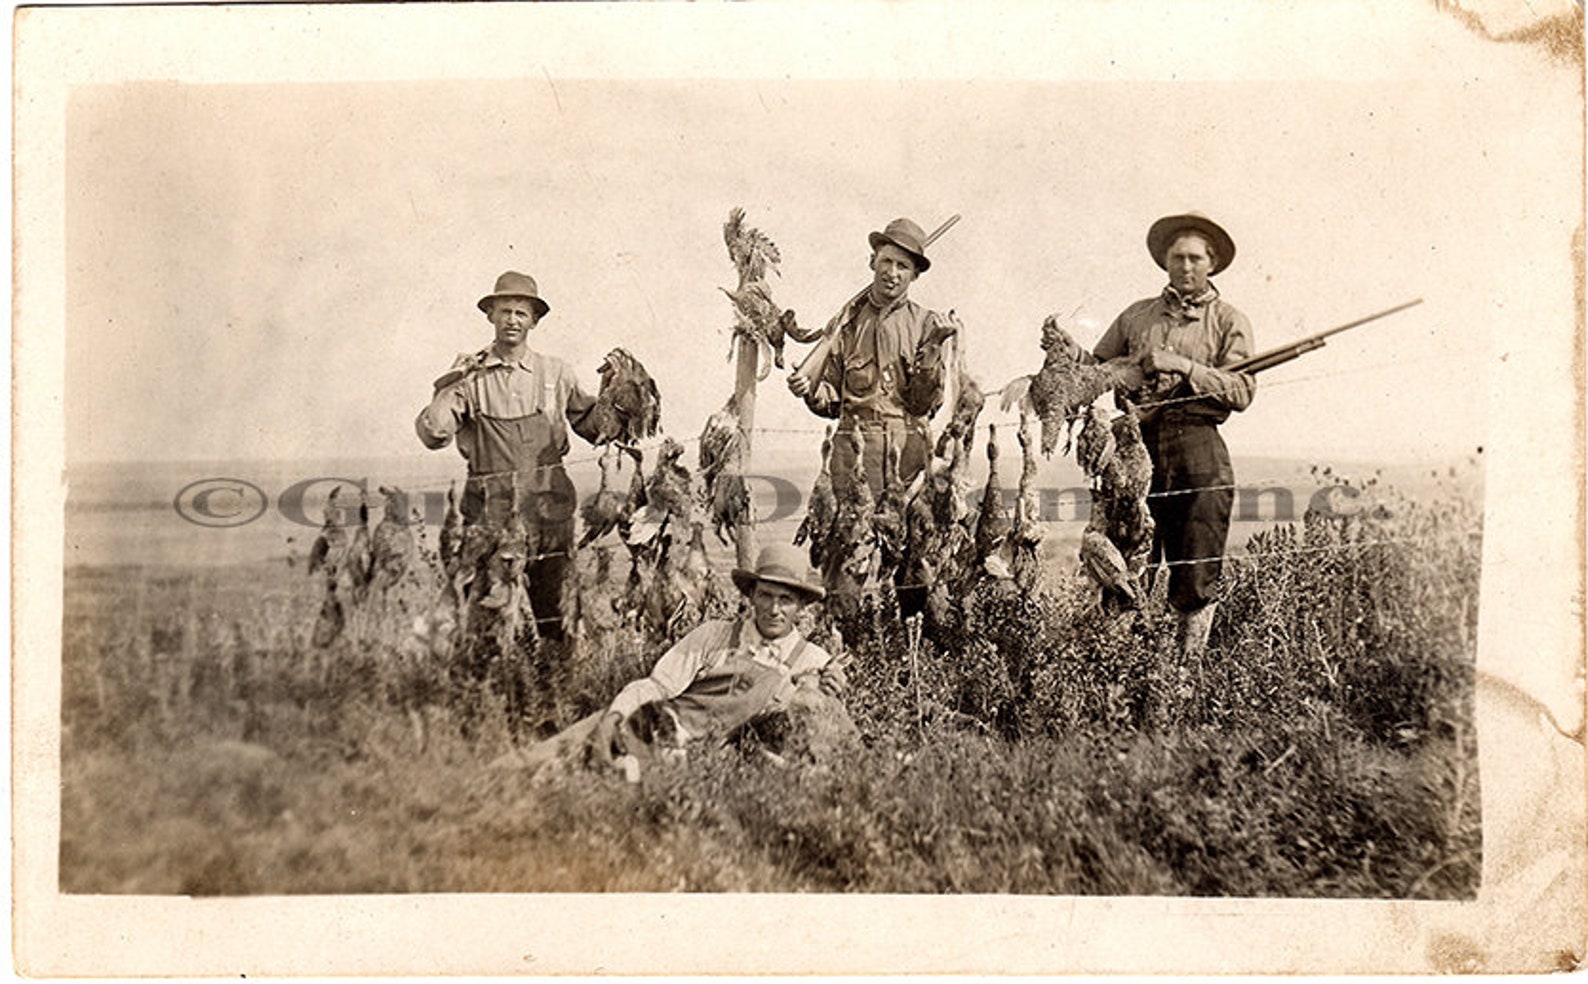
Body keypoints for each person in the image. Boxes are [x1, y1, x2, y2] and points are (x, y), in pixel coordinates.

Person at [502, 544, 853, 774]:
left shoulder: (813, 660)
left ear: (801, 605)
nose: (773, 609)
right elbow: (658, 685)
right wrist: (618, 712)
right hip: (662, 732)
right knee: (578, 740)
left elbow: (820, 734)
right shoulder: (714, 634)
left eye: (785, 599)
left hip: (723, 762)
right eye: (765, 596)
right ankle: (497, 778)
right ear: (752, 595)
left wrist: (830, 696)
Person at [1093, 213, 1256, 657]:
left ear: (1212, 263)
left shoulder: (1228, 320)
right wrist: (1127, 375)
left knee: (1197, 564)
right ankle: (1122, 664)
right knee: (1128, 557)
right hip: (1135, 448)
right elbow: (1097, 369)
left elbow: (1243, 390)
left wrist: (1184, 368)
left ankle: (1185, 675)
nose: (1185, 266)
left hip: (1198, 447)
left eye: (1194, 258)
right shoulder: (1136, 316)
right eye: (1177, 257)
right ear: (1164, 261)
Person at [416, 270, 605, 643]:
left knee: (555, 615)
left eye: (521, 313)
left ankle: (552, 695)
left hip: (550, 513)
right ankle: (488, 696)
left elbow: (595, 427)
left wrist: (618, 396)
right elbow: (434, 433)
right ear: (490, 316)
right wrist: (449, 380)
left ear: (534, 320)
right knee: (487, 617)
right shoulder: (471, 379)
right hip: (489, 517)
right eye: (505, 311)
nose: (512, 320)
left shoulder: (556, 373)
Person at [787, 217, 954, 502]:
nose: (892, 272)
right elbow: (831, 398)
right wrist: (810, 390)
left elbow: (924, 403)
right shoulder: (847, 325)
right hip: (851, 455)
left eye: (903, 266)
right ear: (872, 262)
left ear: (915, 275)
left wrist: (935, 346)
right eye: (886, 262)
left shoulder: (928, 325)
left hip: (907, 457)